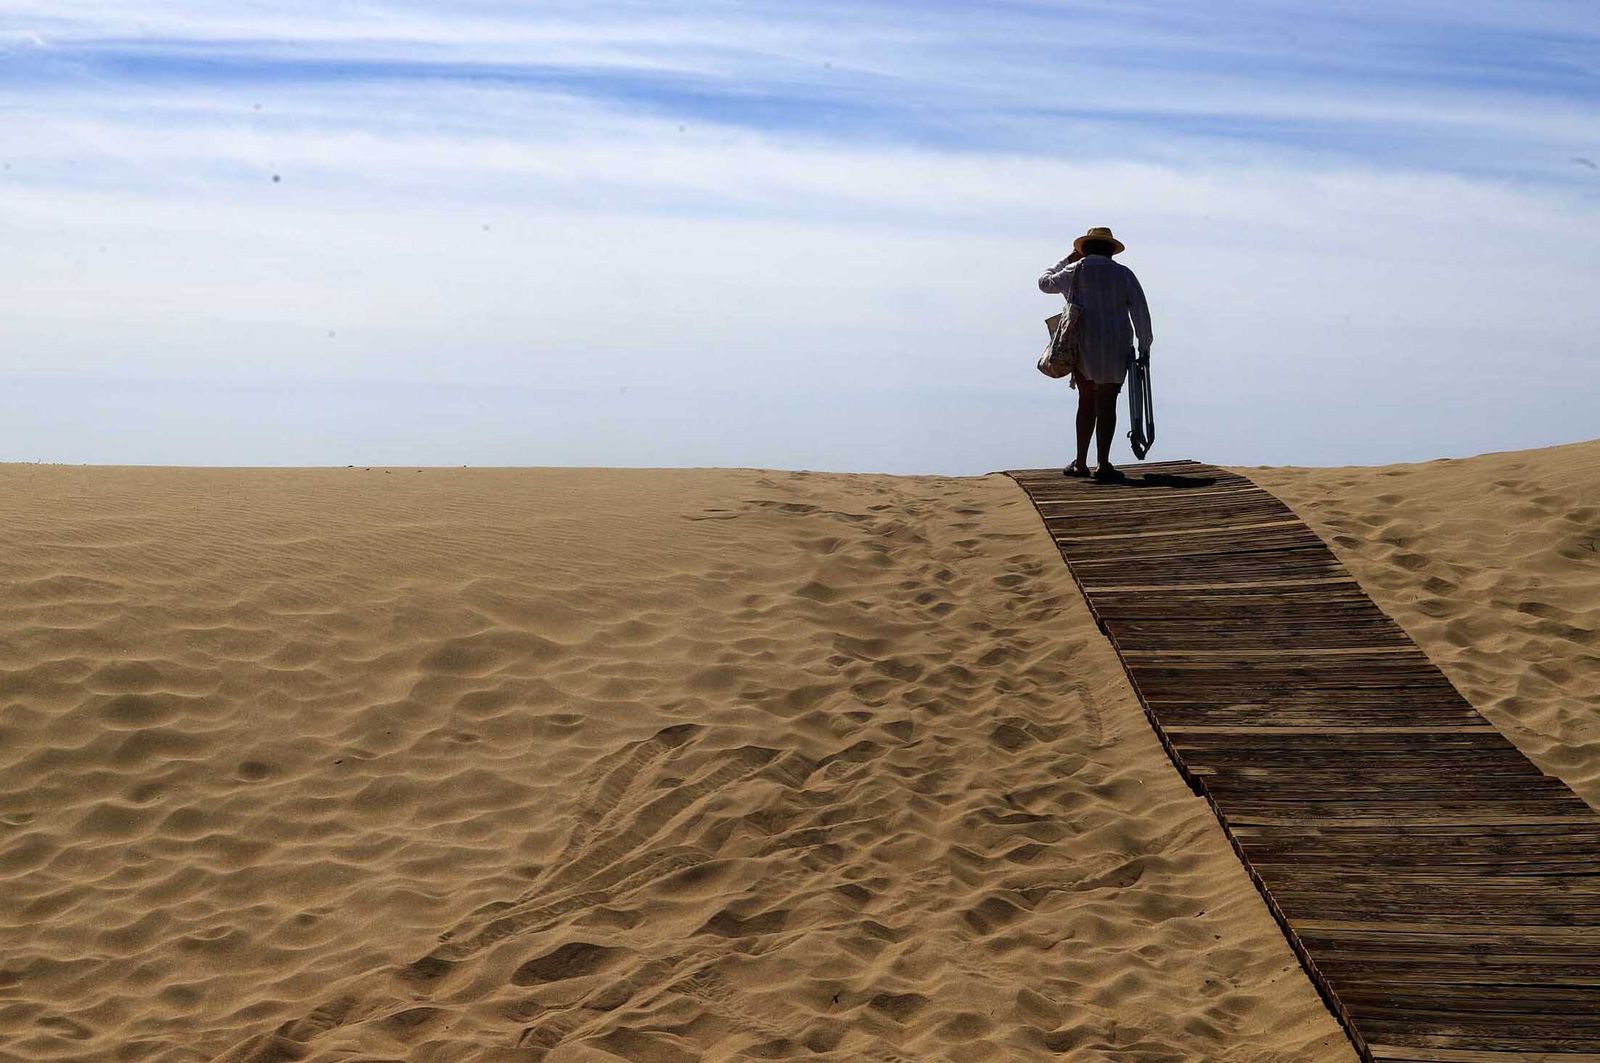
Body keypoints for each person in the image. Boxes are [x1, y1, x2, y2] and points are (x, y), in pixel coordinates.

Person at [1038, 226, 1153, 482]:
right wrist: (1144, 347)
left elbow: (1043, 283)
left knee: (1086, 401)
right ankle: (1103, 462)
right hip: (1116, 345)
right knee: (1108, 404)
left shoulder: (1074, 270)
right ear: (1111, 251)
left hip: (1084, 343)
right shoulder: (1124, 275)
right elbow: (1140, 314)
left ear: (1083, 250)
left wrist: (1067, 259)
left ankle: (1080, 461)